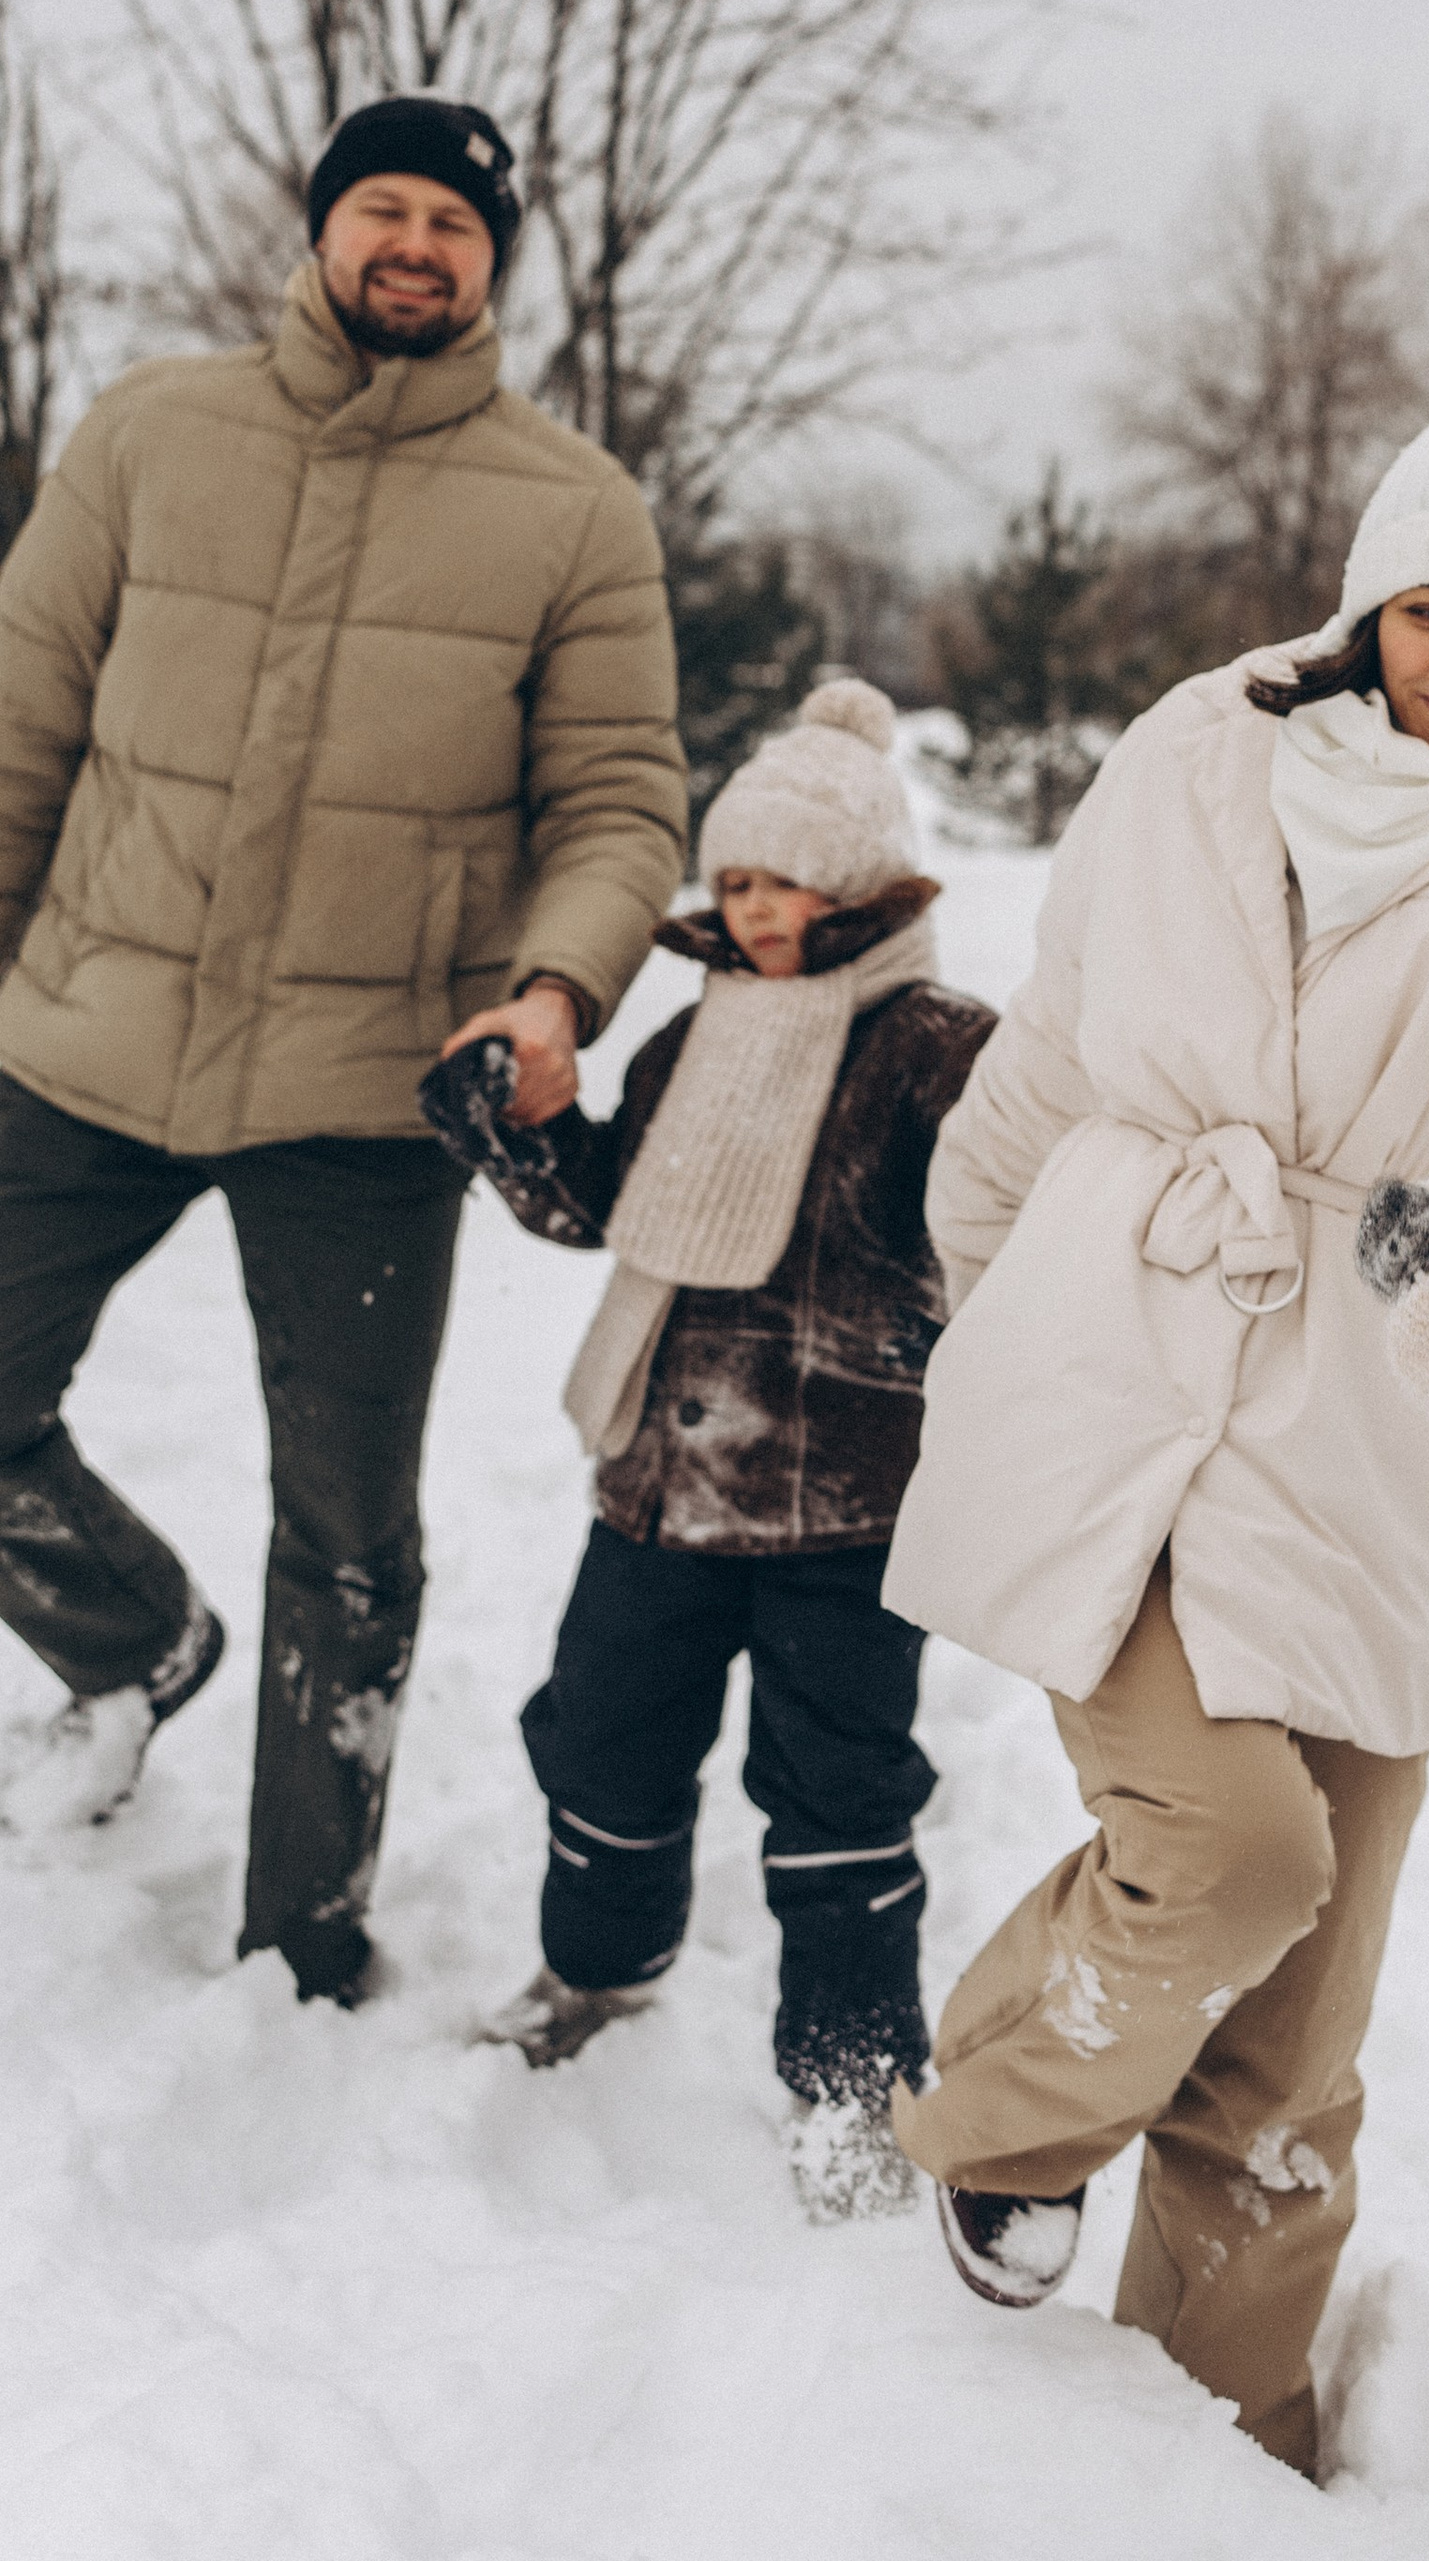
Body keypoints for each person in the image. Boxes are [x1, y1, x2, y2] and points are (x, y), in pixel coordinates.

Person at [884, 396, 1429, 2477]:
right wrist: (980, 1295)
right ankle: (996, 2121)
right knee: (1229, 1851)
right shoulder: (1192, 743)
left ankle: (1222, 2445)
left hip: (1370, 1409)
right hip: (1118, 1354)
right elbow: (1056, 1036)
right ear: (1365, 596)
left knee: (1298, 2048)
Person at [0, 94, 687, 2004]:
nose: (415, 243)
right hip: (85, 1031)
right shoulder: (149, 431)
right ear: (320, 230)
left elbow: (622, 802)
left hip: (369, 1093)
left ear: (494, 263)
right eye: (381, 206)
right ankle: (132, 1635)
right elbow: (21, 721)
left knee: (348, 1540)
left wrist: (552, 991)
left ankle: (302, 1937)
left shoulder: (572, 509)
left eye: (454, 223)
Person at [421, 680, 994, 2221]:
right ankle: (599, 1966)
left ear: (869, 881)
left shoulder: (939, 1053)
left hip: (848, 1514)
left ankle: (855, 2074)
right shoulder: (694, 1038)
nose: (751, 909)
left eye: (784, 879)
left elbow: (1015, 1218)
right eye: (732, 878)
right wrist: (515, 1134)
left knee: (839, 1797)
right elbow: (610, 1203)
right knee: (600, 1738)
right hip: (657, 1492)